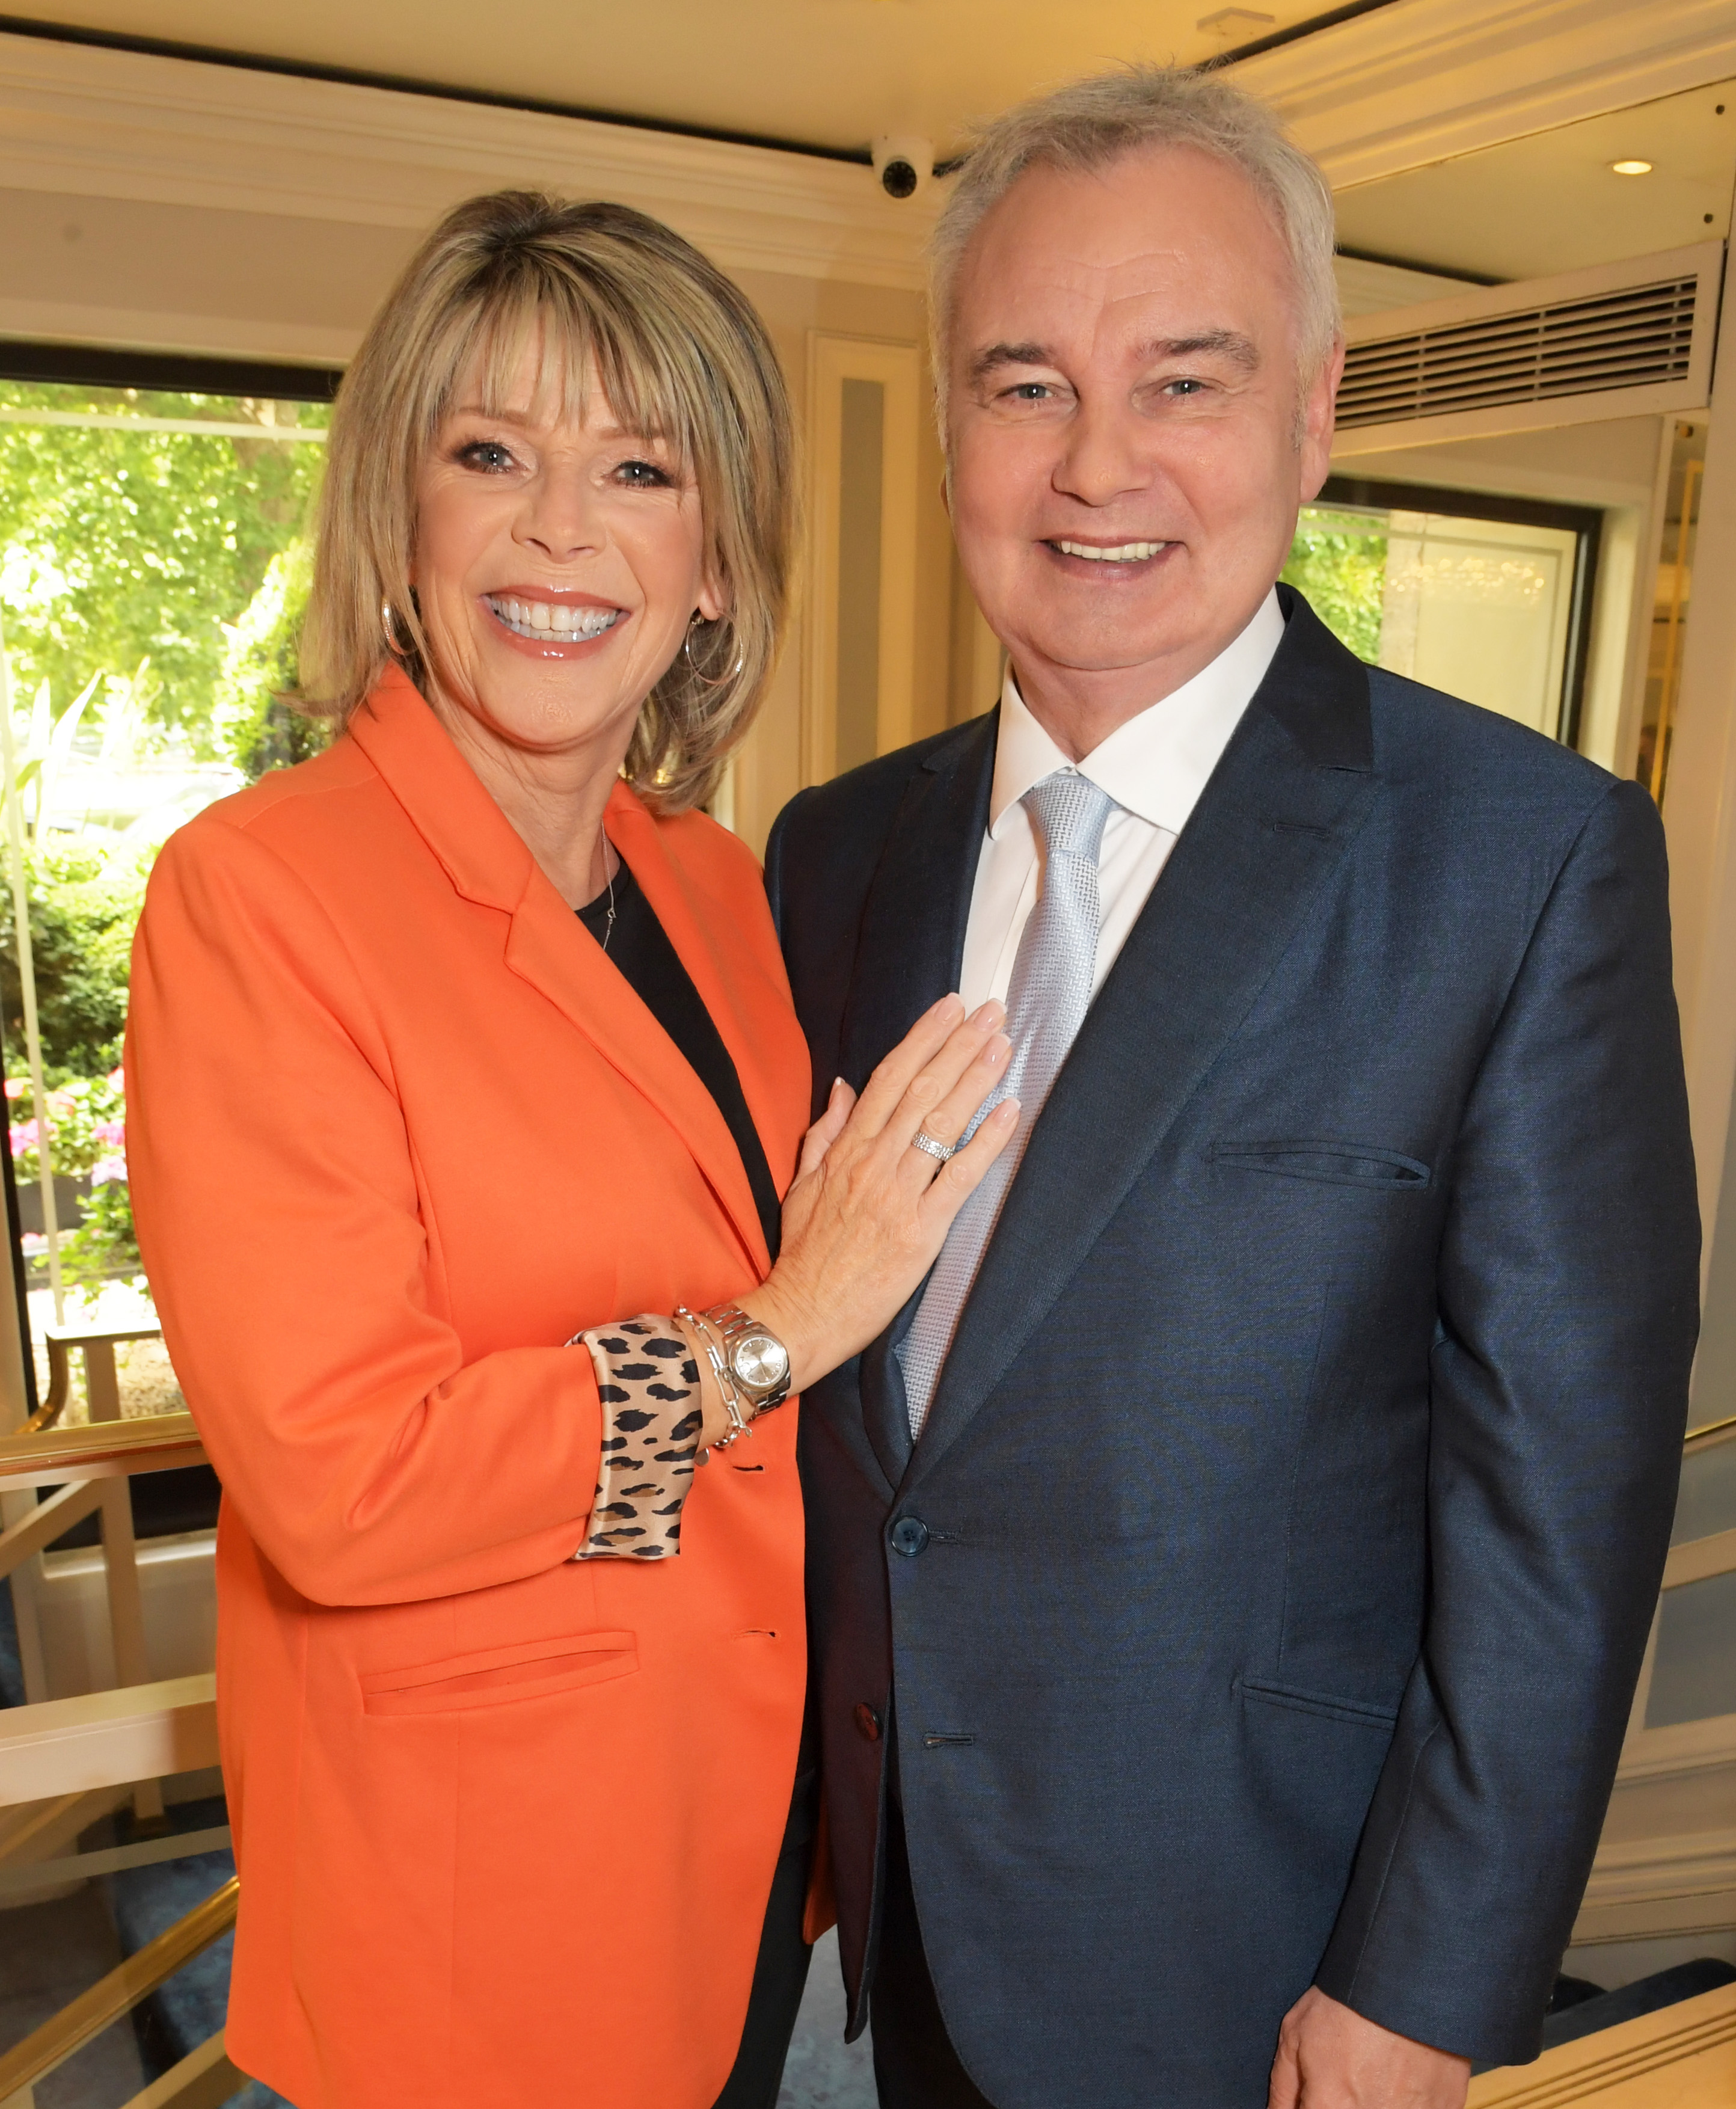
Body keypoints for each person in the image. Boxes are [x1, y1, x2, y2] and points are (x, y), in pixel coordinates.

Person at [766, 66, 1701, 2109]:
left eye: (1185, 381)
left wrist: (1427, 1988)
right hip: (888, 1926)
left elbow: (1561, 1504)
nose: (1100, 465)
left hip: (1262, 1964)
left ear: (1316, 406)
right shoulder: (837, 855)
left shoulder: (1521, 856)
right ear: (948, 426)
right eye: (1024, 386)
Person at [124, 191, 1019, 2109]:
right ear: (403, 518)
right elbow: (348, 1482)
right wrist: (777, 1332)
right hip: (479, 1915)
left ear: (711, 565)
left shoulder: (710, 880)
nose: (556, 527)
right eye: (488, 455)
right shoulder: (260, 898)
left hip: (745, 1838)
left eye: (637, 465)